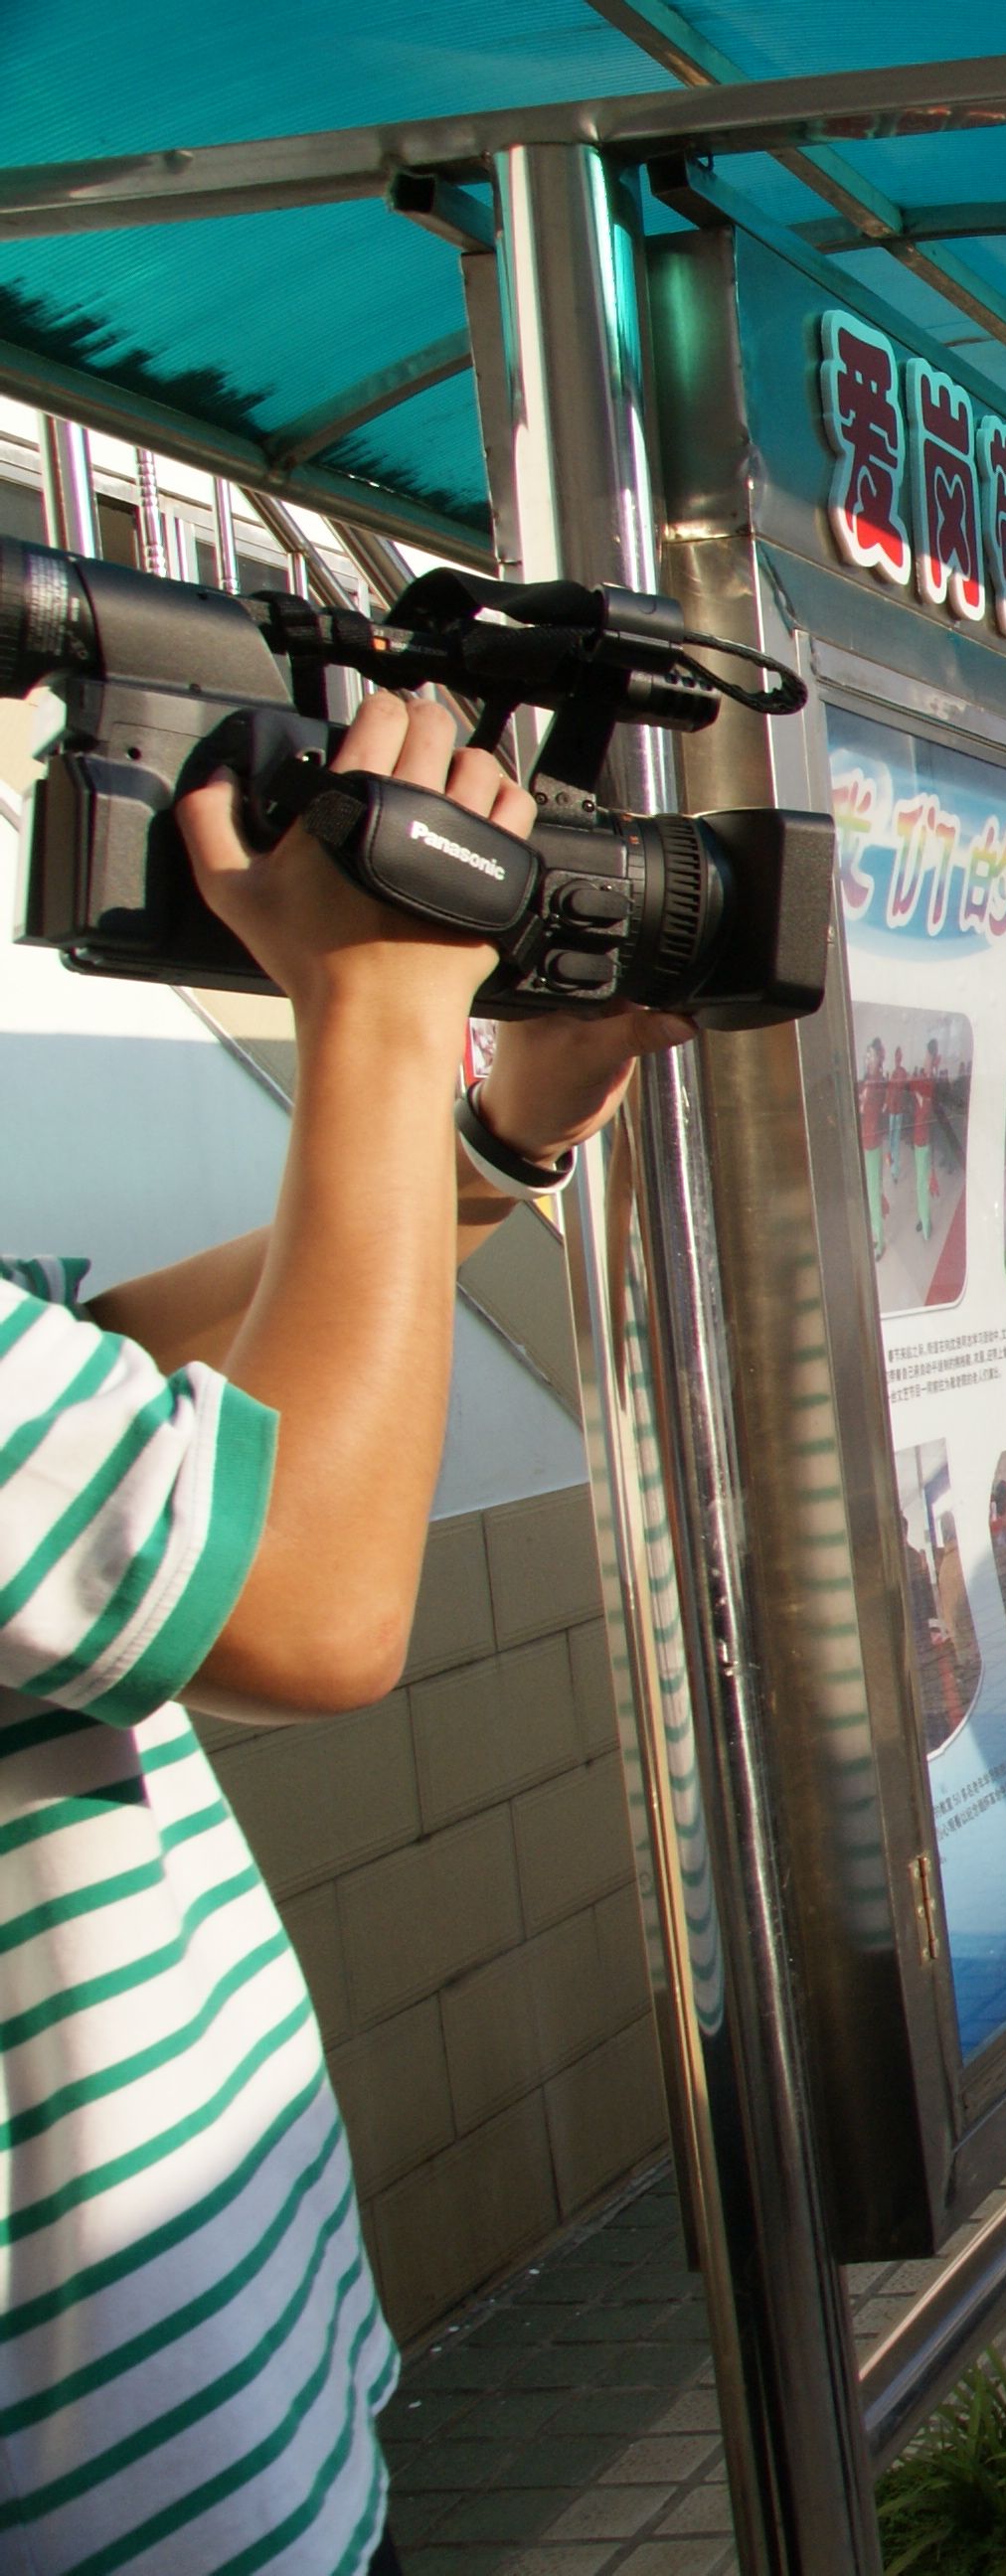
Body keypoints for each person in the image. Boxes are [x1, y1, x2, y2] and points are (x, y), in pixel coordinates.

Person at [1, 693, 683, 2576]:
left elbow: (139, 1388)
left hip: (217, 2434)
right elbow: (306, 1600)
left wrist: (479, 1124)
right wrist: (376, 1004)